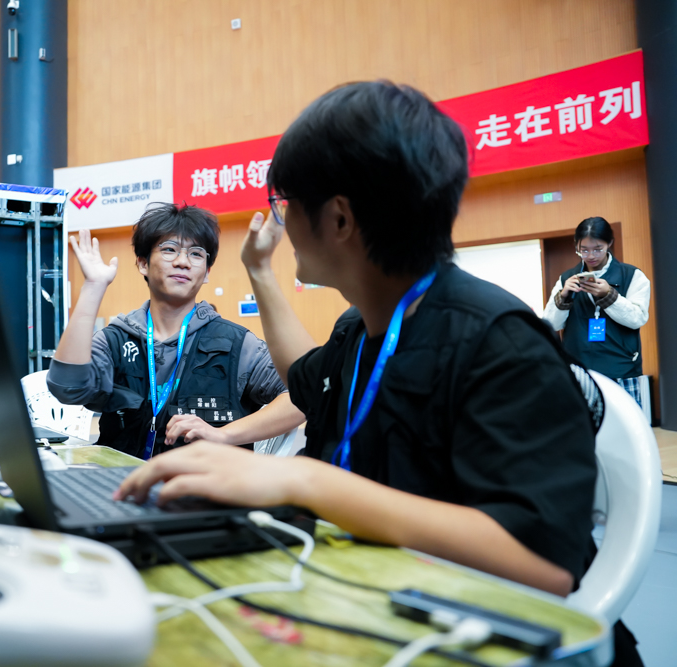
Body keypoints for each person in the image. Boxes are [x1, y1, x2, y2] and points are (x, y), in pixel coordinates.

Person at [116, 82, 643, 664]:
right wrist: (260, 272)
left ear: (339, 218)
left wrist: (304, 482)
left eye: (288, 205)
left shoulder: (500, 343)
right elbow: (305, 381)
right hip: (370, 602)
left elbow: (541, 564)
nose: (283, 222)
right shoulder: (361, 325)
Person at [46, 203, 304, 459]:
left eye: (196, 254)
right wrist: (93, 286)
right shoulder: (116, 339)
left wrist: (224, 434)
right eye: (169, 249)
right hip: (123, 480)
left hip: (205, 482)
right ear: (143, 264)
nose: (183, 262)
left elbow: (302, 396)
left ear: (206, 273)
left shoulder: (238, 344)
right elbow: (66, 388)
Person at [543, 218, 651, 409]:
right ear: (576, 246)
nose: (591, 255)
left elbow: (637, 318)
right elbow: (551, 324)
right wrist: (564, 296)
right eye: (584, 250)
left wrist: (608, 295)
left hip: (621, 370)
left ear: (609, 243)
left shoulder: (632, 275)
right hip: (580, 371)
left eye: (598, 249)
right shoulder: (566, 279)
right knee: (584, 426)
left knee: (624, 425)